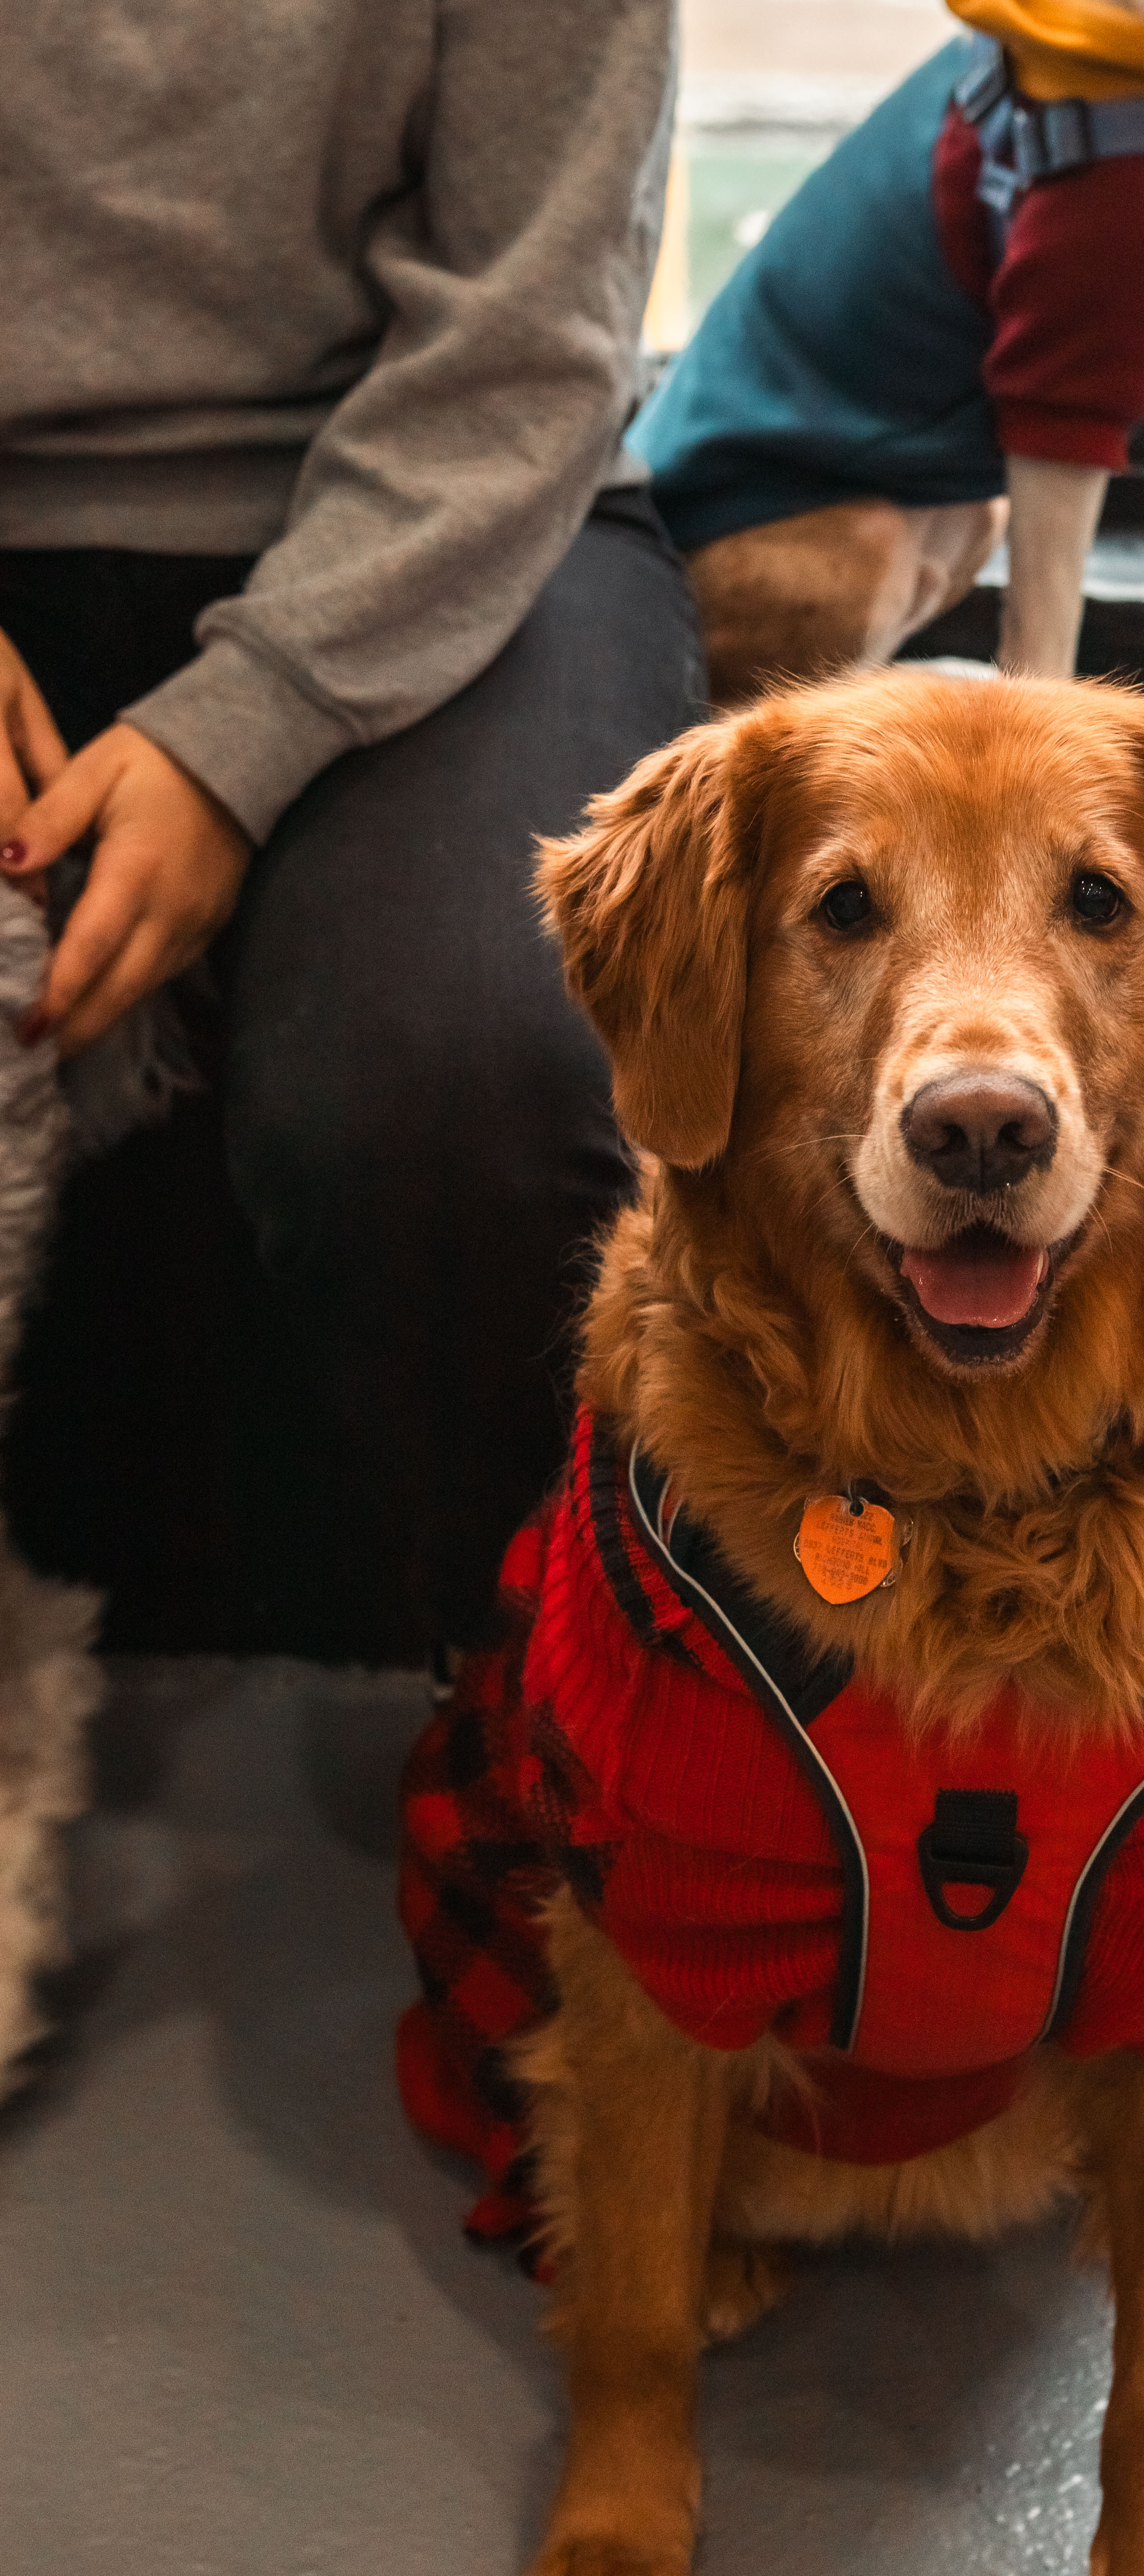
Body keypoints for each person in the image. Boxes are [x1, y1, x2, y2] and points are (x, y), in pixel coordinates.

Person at [0, 0, 702, 1658]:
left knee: (462, 1073)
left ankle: (549, 1702)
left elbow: (536, 325)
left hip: (448, 502)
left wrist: (255, 722)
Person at [633, 0, 1144, 726]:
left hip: (898, 483)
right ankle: (1022, 725)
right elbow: (1055, 427)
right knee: (885, 549)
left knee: (974, 521)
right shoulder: (1090, 110)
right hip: (751, 509)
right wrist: (1043, 718)